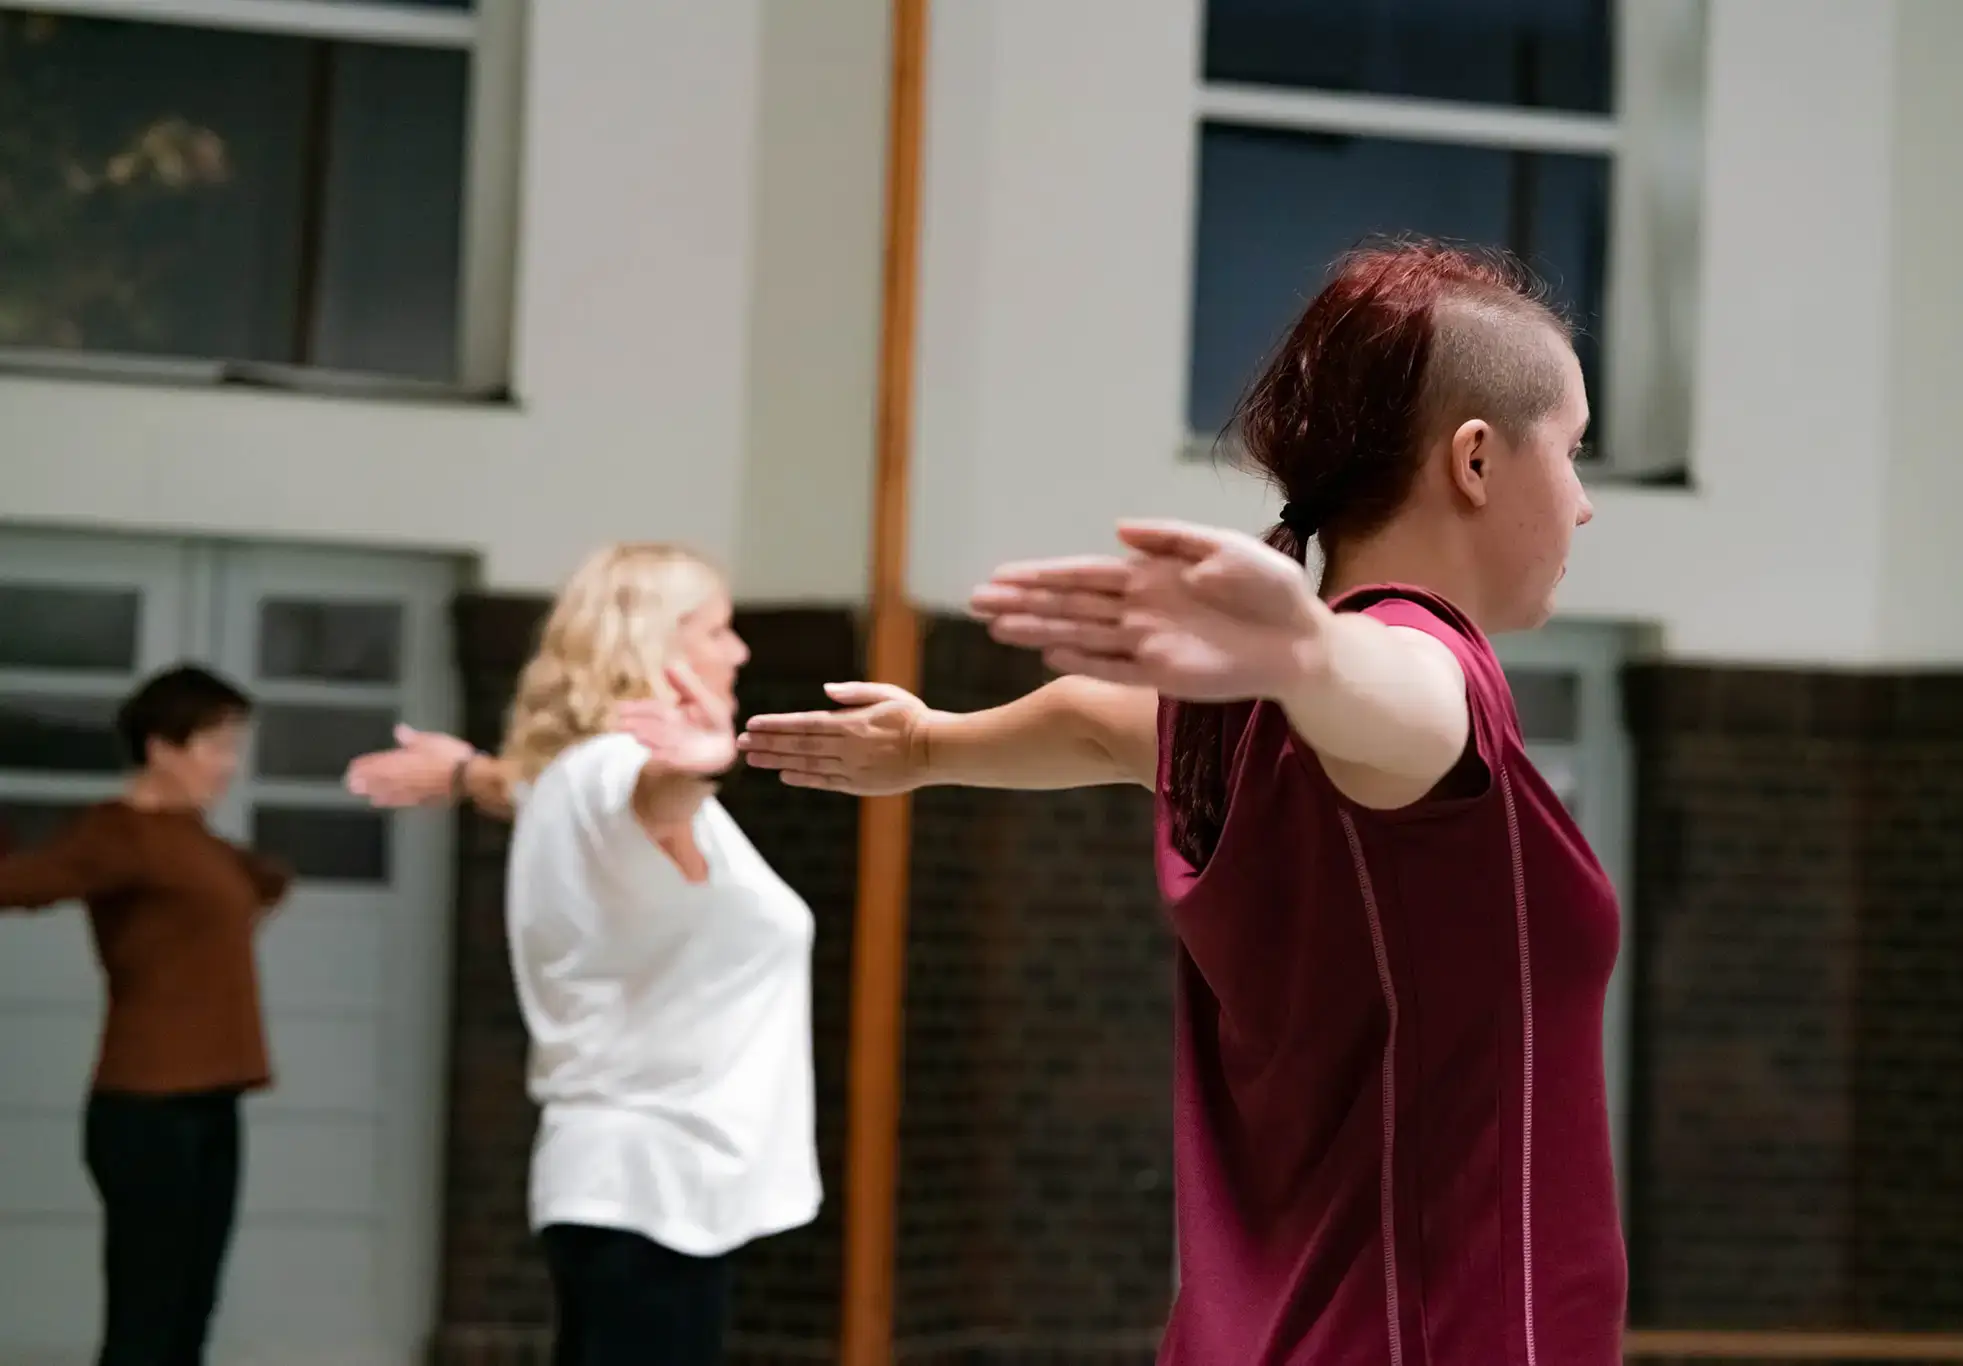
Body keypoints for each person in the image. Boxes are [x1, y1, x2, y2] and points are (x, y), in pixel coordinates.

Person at [726, 243, 1624, 1364]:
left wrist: (929, 744)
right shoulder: (1418, 662)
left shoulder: (1228, 719)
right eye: (1572, 450)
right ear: (1475, 460)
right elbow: (1404, 703)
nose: (1584, 504)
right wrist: (1306, 653)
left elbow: (1094, 722)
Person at [345, 543, 820, 1366]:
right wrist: (700, 769)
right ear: (653, 643)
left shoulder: (566, 777)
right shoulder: (625, 772)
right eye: (718, 630)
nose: (740, 651)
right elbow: (650, 801)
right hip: (649, 1187)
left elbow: (529, 789)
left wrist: (464, 772)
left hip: (638, 1191)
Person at [0, 664, 292, 1366]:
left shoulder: (193, 840)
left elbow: (265, 883)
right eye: (215, 746)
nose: (229, 765)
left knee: (189, 1314)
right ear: (161, 748)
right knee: (145, 1321)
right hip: (148, 1108)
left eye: (232, 747)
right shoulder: (118, 834)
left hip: (212, 1101)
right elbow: (18, 885)